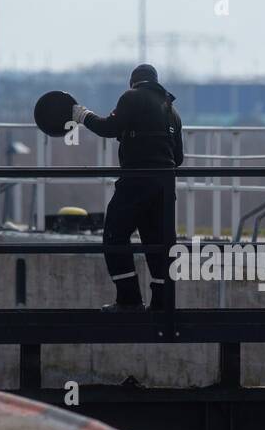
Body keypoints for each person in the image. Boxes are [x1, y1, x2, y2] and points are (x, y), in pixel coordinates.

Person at [72, 64, 183, 311]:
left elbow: (108, 128)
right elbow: (178, 157)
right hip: (165, 185)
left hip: (136, 180)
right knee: (158, 244)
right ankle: (162, 304)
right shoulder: (172, 110)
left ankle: (129, 299)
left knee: (114, 235)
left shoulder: (131, 98)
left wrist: (83, 116)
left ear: (132, 83)